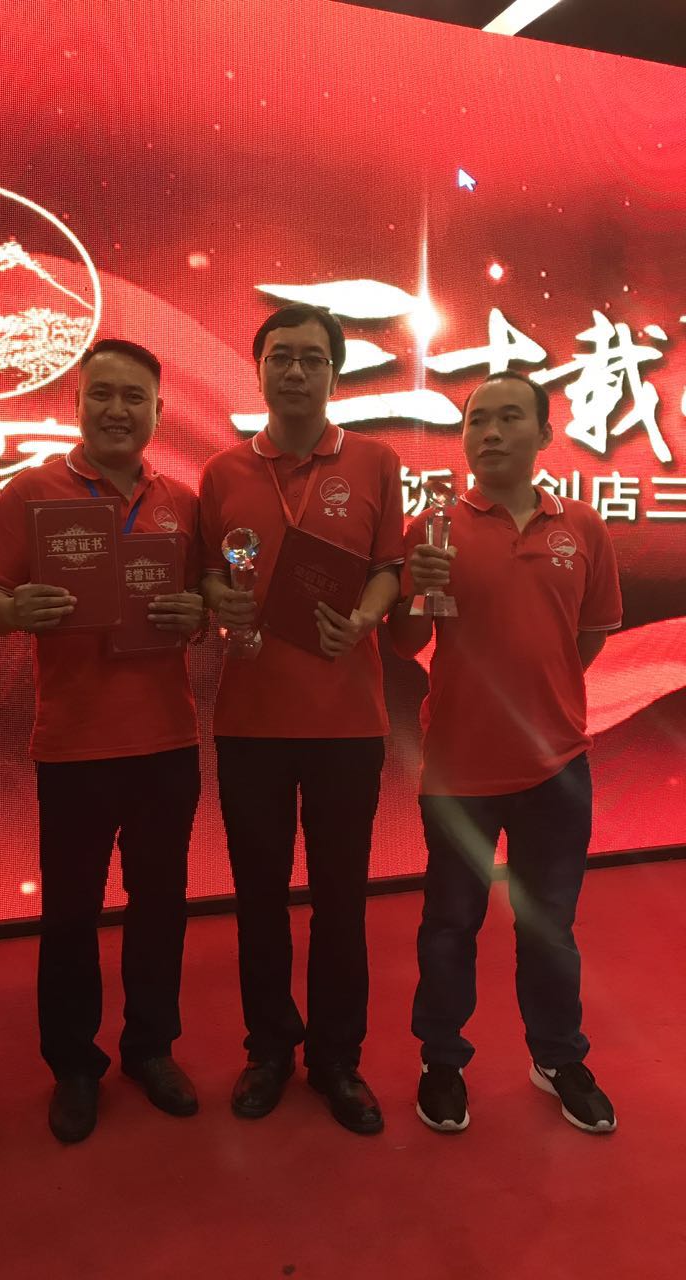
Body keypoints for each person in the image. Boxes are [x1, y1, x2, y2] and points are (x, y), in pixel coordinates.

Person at [0, 339, 204, 1143]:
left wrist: (199, 614)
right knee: (71, 913)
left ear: (157, 412)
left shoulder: (183, 501)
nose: (116, 410)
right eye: (102, 394)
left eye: (134, 397)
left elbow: (208, 597)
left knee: (161, 905)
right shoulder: (33, 492)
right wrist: (14, 610)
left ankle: (151, 1048)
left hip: (167, 740)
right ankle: (74, 1065)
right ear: (76, 403)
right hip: (73, 744)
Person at [387, 370, 622, 1135]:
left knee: (549, 924)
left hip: (558, 766)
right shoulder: (432, 531)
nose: (490, 432)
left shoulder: (582, 527)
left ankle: (557, 1057)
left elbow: (586, 637)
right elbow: (406, 643)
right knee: (450, 924)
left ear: (545, 434)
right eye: (476, 420)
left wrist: (538, 698)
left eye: (509, 417)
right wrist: (413, 590)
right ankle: (442, 1060)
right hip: (459, 769)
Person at [199, 303, 404, 1134]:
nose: (294, 371)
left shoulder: (376, 461)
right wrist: (220, 601)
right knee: (258, 898)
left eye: (311, 358)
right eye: (280, 356)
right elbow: (208, 573)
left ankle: (337, 1059)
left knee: (341, 901)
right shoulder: (222, 472)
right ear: (258, 370)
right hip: (250, 719)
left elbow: (389, 567)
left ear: (333, 372)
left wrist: (364, 619)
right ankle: (269, 1051)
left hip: (347, 723)